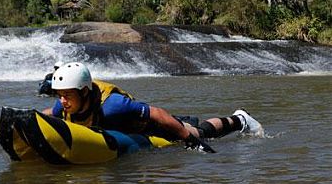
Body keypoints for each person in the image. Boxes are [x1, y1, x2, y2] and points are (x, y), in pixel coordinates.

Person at [42, 62, 264, 152]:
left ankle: (240, 119)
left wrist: (189, 140)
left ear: (83, 92)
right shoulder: (63, 105)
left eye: (67, 95)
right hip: (126, 133)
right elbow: (49, 114)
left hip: (153, 126)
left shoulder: (113, 106)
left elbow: (155, 112)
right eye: (60, 95)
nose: (63, 101)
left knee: (201, 133)